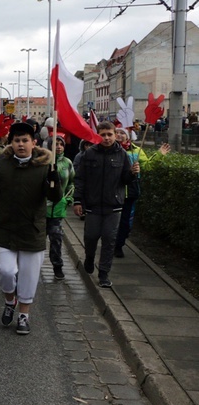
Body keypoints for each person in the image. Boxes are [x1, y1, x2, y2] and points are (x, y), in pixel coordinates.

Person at [0, 121, 62, 335]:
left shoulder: (45, 166)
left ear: (34, 143)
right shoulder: (2, 164)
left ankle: (24, 315)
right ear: (11, 142)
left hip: (32, 229)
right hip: (7, 227)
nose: (21, 144)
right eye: (17, 140)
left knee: (28, 275)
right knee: (6, 271)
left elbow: (55, 197)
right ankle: (9, 300)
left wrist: (54, 181)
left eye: (25, 140)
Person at [73, 121, 138, 289]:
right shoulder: (90, 154)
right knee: (91, 237)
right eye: (103, 135)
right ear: (98, 135)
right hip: (93, 205)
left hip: (113, 205)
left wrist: (132, 174)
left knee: (109, 240)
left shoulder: (122, 154)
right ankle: (89, 257)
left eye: (110, 134)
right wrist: (78, 200)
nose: (107, 138)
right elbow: (80, 179)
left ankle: (103, 273)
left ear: (115, 135)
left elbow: (125, 179)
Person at [113, 128, 170, 258]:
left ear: (128, 136)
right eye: (117, 132)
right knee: (113, 221)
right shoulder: (110, 150)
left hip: (130, 192)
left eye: (123, 133)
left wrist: (159, 154)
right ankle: (112, 244)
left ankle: (119, 244)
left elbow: (148, 165)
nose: (119, 135)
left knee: (126, 223)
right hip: (113, 192)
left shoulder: (137, 151)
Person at [45, 134, 75, 280]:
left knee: (56, 239)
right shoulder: (43, 162)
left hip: (58, 209)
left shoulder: (68, 163)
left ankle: (57, 266)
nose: (58, 147)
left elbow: (71, 183)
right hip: (41, 209)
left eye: (60, 144)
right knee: (37, 241)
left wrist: (68, 198)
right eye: (54, 144)